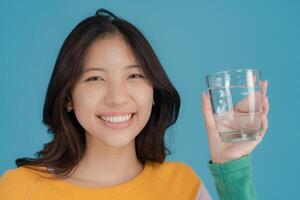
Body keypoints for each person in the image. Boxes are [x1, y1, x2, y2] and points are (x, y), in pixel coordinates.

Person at [0, 8, 269, 200]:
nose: (117, 97)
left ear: (153, 91)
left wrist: (232, 171)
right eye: (95, 78)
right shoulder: (18, 190)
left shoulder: (181, 188)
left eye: (134, 75)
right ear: (68, 97)